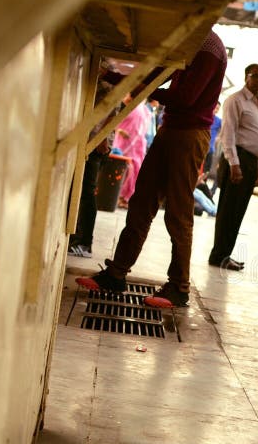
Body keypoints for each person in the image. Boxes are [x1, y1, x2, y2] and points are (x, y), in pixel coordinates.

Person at [76, 30, 228, 308]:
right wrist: (113, 78)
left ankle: (179, 287)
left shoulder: (208, 47)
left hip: (190, 135)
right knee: (141, 202)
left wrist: (131, 86)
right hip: (170, 131)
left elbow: (185, 98)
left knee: (179, 213)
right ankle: (116, 273)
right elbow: (153, 75)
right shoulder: (189, 40)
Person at [208, 64, 258, 272]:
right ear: (246, 77)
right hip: (238, 161)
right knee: (228, 210)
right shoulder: (235, 100)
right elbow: (229, 134)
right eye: (256, 76)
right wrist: (234, 164)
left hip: (250, 162)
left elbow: (255, 139)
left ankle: (225, 255)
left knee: (237, 212)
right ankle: (218, 256)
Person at [68, 65, 120, 258]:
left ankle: (84, 243)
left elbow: (114, 110)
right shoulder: (98, 74)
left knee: (86, 192)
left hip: (95, 143)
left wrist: (103, 138)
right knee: (79, 192)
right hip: (89, 140)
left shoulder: (108, 77)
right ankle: (76, 238)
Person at [113, 94, 150, 208]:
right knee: (125, 170)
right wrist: (119, 130)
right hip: (123, 144)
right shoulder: (129, 105)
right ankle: (120, 197)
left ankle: (126, 198)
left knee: (134, 171)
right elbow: (114, 122)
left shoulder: (144, 110)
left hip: (137, 146)